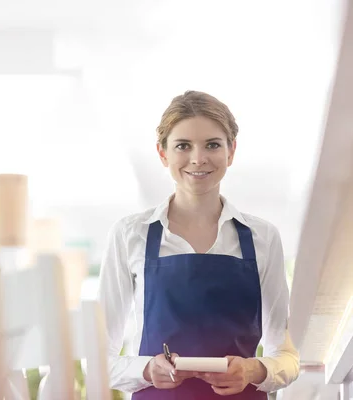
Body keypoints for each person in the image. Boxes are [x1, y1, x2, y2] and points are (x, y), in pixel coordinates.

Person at [97, 91, 300, 399]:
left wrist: (251, 370)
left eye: (213, 145)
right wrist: (147, 370)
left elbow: (287, 356)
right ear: (163, 153)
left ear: (231, 152)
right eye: (183, 146)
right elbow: (100, 358)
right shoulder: (130, 235)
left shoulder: (262, 237)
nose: (198, 158)